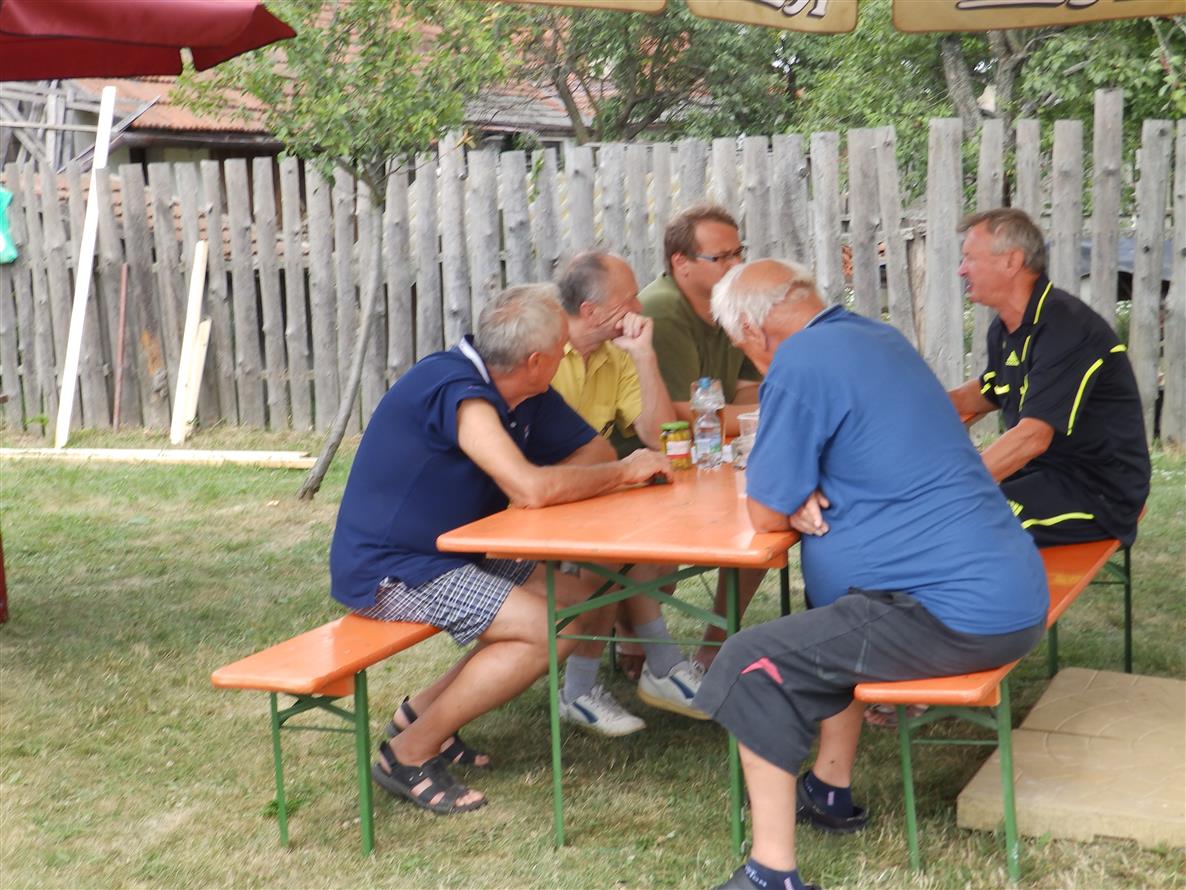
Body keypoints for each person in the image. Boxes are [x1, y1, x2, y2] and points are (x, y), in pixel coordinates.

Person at [696, 259, 1048, 890]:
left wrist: (791, 495)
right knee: (832, 627)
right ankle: (829, 790)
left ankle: (771, 873)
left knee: (752, 662)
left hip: (947, 610)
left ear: (751, 328)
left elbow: (764, 510)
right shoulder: (876, 337)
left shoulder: (799, 361)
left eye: (737, 342)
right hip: (1005, 593)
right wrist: (802, 488)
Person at [329, 284, 669, 815]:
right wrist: (619, 473)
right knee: (547, 628)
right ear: (535, 361)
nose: (567, 353)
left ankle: (421, 715)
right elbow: (531, 488)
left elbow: (594, 451)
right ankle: (409, 753)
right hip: (393, 569)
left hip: (462, 554)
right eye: (560, 348)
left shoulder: (523, 389)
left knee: (577, 594)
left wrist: (563, 479)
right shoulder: (454, 387)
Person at [550, 251, 704, 734]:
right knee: (614, 552)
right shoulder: (544, 355)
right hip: (534, 503)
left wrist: (644, 356)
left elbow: (659, 437)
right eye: (629, 298)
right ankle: (642, 672)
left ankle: (649, 670)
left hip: (587, 496)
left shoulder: (615, 356)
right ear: (591, 311)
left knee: (635, 539)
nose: (639, 306)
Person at [950, 207, 1151, 548]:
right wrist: (926, 404)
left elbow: (1032, 438)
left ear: (1011, 261)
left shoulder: (1067, 328)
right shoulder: (1005, 327)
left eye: (970, 258)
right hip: (1041, 473)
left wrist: (951, 488)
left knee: (958, 522)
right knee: (948, 517)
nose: (961, 269)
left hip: (1097, 492)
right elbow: (992, 389)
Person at [638, 204, 764, 670]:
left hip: (708, 456)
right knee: (757, 518)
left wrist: (745, 415)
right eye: (721, 256)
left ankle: (714, 645)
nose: (736, 264)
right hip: (651, 460)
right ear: (681, 263)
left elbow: (750, 390)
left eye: (738, 252)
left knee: (763, 523)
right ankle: (635, 642)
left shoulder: (734, 302)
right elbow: (680, 418)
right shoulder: (663, 308)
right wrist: (761, 416)